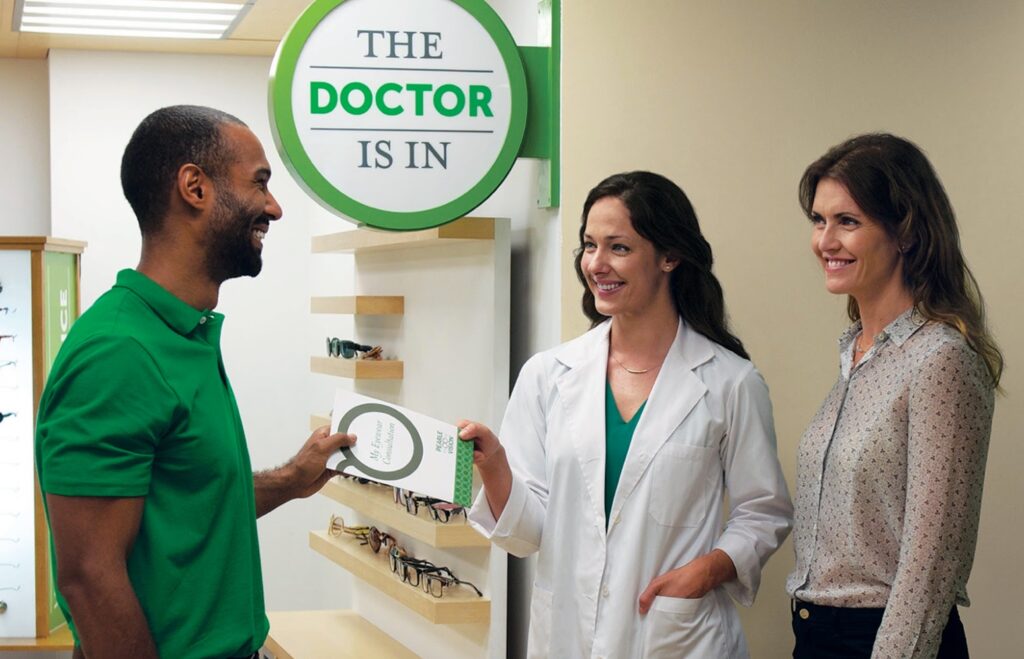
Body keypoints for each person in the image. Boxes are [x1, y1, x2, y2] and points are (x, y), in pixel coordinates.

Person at [34, 105, 355, 659]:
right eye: (260, 183)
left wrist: (291, 479)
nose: (274, 208)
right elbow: (87, 578)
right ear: (194, 187)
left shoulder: (185, 333)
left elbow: (187, 502)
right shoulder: (119, 351)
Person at [458, 171, 793, 658]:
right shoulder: (548, 375)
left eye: (618, 247)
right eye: (589, 245)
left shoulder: (729, 382)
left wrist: (712, 568)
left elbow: (763, 510)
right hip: (568, 636)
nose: (596, 264)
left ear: (670, 257)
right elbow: (528, 536)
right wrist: (494, 468)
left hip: (676, 637)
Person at [786, 133, 1002, 659]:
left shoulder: (940, 359)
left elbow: (931, 568)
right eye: (819, 220)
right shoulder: (857, 354)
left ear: (905, 231)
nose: (825, 241)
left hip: (888, 642)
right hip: (816, 634)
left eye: (848, 222)